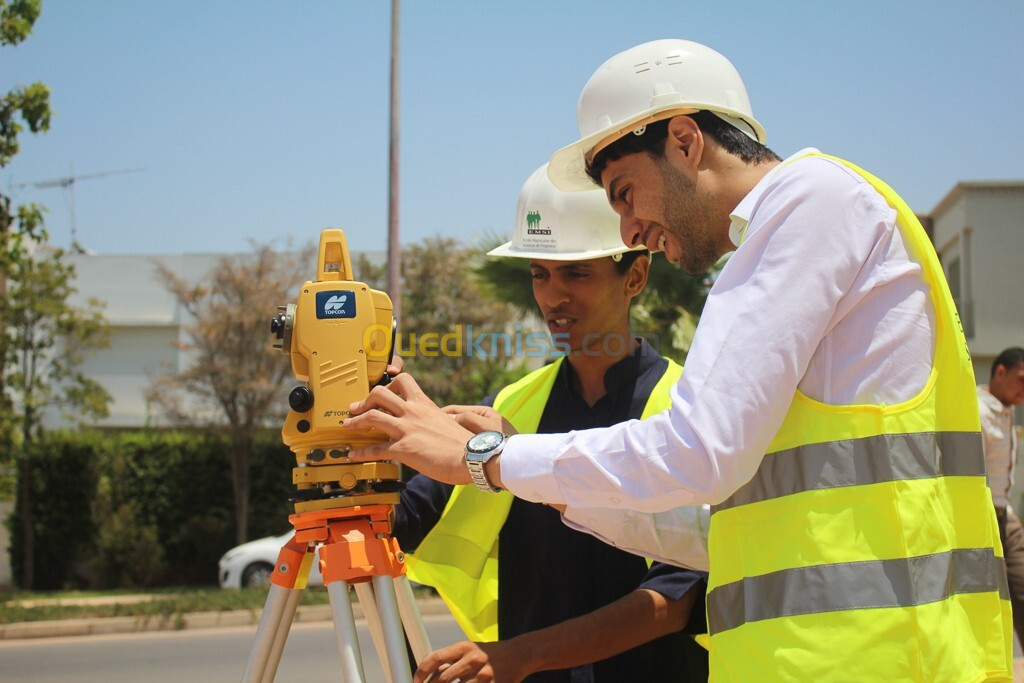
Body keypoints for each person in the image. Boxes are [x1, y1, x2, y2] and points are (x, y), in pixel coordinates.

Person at [346, 39, 1012, 681]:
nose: (629, 228)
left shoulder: (812, 201)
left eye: (625, 192)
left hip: (882, 662)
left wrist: (489, 460)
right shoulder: (793, 235)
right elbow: (706, 526)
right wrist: (527, 474)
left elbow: (697, 452)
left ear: (686, 141)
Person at [394, 164, 709, 683]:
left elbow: (674, 597)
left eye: (576, 273)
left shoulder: (685, 408)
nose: (552, 297)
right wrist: (360, 427)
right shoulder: (510, 407)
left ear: (634, 276)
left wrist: (522, 655)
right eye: (540, 273)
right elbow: (405, 520)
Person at [978, 347, 1024, 641]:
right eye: (1022, 379)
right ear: (1000, 372)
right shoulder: (975, 408)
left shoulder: (1007, 411)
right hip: (981, 515)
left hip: (1003, 511)